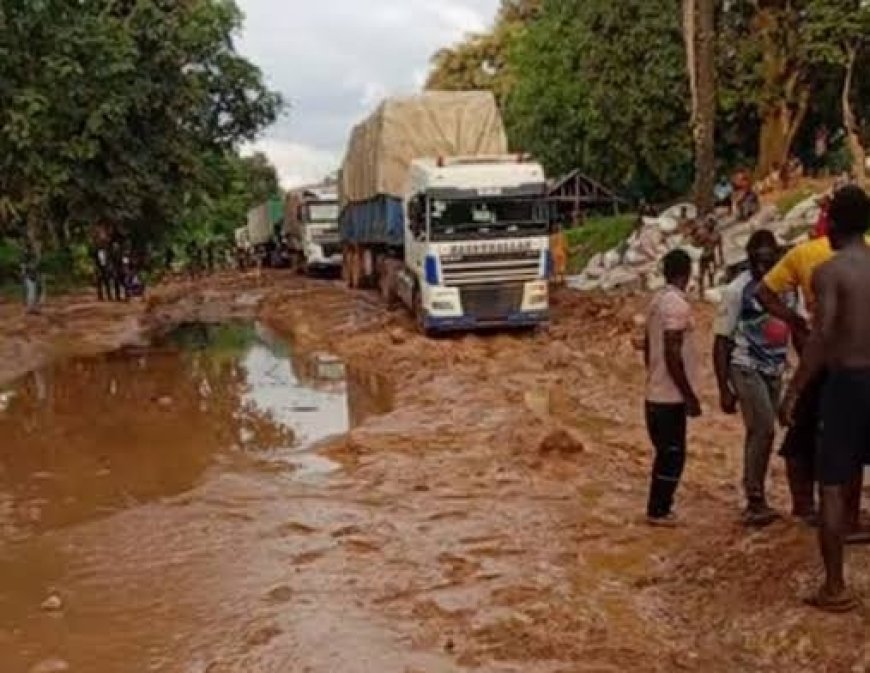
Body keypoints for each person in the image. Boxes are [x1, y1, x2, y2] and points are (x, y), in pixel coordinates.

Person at [779, 184, 870, 613]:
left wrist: (794, 388)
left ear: (833, 224)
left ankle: (835, 588)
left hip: (847, 383)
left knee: (831, 486)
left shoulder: (830, 273)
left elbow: (822, 335)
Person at [757, 210, 870, 528]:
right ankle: (851, 517)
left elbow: (765, 293)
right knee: (857, 446)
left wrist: (794, 321)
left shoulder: (813, 261)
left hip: (834, 366)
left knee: (806, 436)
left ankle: (808, 509)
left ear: (829, 226)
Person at [714, 231, 795, 526]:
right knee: (763, 429)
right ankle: (755, 499)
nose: (763, 266)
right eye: (757, 261)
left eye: (768, 260)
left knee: (760, 431)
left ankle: (756, 489)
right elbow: (721, 340)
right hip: (745, 365)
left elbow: (794, 324)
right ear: (749, 259)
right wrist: (723, 387)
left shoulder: (787, 286)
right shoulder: (737, 290)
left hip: (774, 368)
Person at [643, 249, 701, 527]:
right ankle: (659, 510)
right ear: (686, 273)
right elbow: (672, 353)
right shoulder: (676, 305)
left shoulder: (656, 302)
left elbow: (648, 348)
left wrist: (652, 376)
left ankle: (658, 508)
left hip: (654, 392)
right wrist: (689, 395)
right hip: (670, 397)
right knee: (673, 455)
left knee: (665, 453)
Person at [21, 247, 41, 314]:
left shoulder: (28, 262)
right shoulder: (27, 262)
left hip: (31, 277)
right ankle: (30, 308)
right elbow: (24, 271)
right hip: (30, 278)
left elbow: (24, 271)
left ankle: (32, 307)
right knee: (31, 293)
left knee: (32, 293)